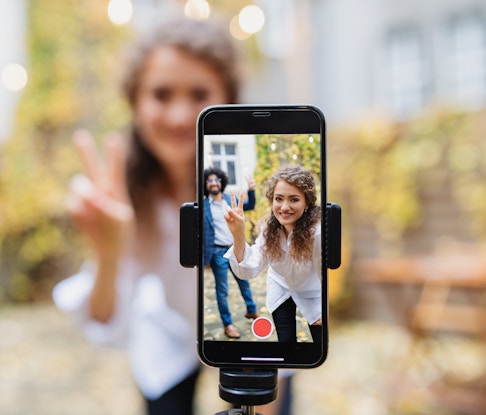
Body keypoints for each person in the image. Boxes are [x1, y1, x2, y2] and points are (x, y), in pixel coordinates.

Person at [52, 15, 293, 415]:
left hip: (247, 336)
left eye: (198, 94)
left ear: (227, 99)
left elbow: (274, 294)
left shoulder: (258, 184)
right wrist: (109, 250)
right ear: (135, 102)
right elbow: (105, 319)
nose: (181, 116)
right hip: (168, 334)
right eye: (161, 95)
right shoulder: (125, 188)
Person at [224, 165, 322, 343]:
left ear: (307, 203)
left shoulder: (317, 233)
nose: (285, 207)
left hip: (313, 292)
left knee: (321, 343)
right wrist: (238, 233)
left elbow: (327, 275)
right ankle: (288, 370)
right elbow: (248, 270)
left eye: (294, 199)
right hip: (281, 285)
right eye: (279, 199)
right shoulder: (269, 229)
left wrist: (325, 307)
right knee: (286, 343)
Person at [203, 166, 258, 339]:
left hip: (234, 248)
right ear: (205, 184)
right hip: (218, 252)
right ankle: (228, 324)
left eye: (216, 180)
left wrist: (251, 190)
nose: (213, 183)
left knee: (244, 281)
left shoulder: (229, 200)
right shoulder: (203, 205)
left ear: (222, 182)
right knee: (222, 290)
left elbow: (250, 205)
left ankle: (251, 310)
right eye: (209, 180)